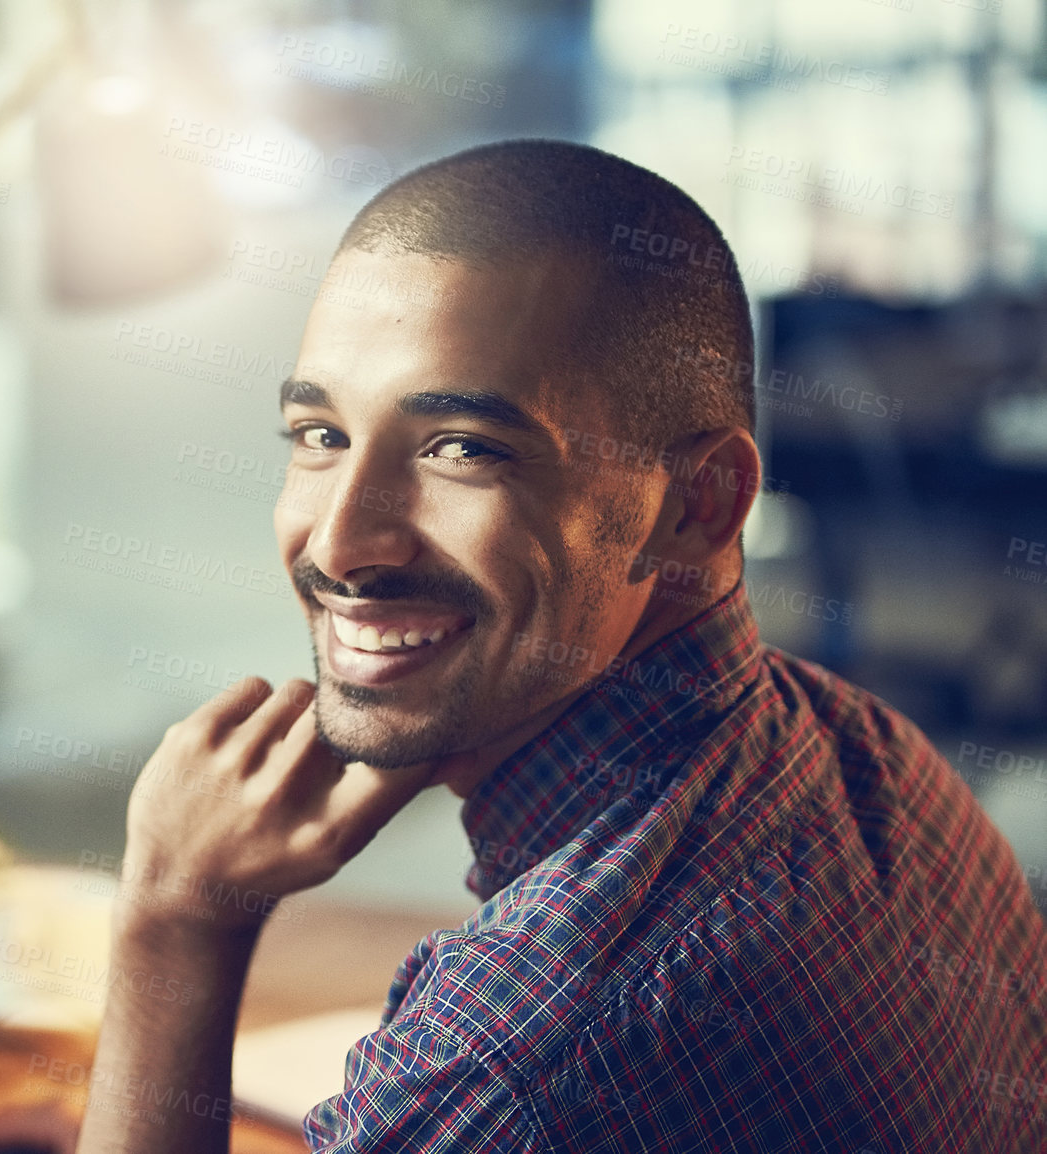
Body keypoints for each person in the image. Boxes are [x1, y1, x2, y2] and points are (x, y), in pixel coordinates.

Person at [74, 139, 1047, 1153]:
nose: (339, 542)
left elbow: (530, 1072)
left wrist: (176, 917)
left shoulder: (517, 1058)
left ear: (697, 506)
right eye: (320, 434)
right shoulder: (875, 754)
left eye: (463, 449)